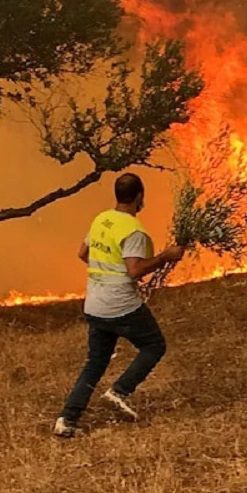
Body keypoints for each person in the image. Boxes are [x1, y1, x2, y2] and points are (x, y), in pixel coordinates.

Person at [54, 173, 183, 438]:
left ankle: (67, 420)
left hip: (95, 303)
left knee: (95, 363)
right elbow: (135, 270)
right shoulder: (133, 230)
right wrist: (166, 256)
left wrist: (104, 272)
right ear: (139, 196)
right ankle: (119, 391)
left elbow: (83, 254)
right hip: (120, 304)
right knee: (154, 345)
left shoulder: (102, 219)